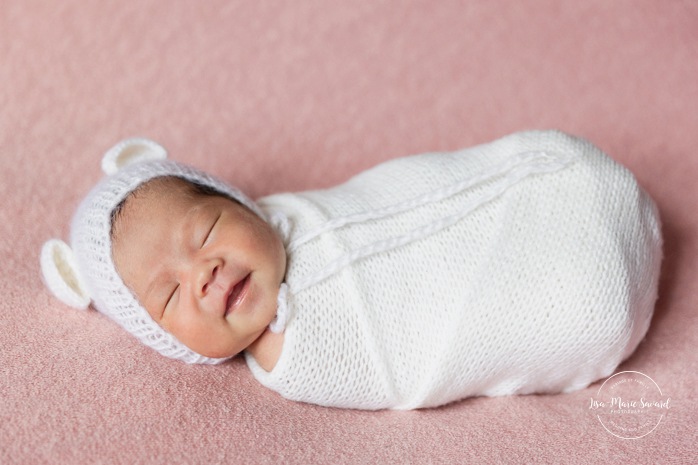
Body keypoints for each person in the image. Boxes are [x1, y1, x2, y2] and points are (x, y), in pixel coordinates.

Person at [41, 130, 663, 410]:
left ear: (238, 202)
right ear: (170, 343)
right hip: (582, 298)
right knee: (571, 304)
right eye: (171, 295)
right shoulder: (293, 357)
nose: (202, 273)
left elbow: (399, 191)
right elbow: (398, 365)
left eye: (204, 232)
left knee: (528, 170)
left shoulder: (287, 218)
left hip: (558, 173)